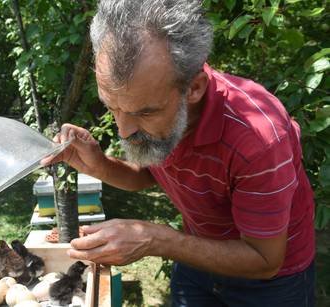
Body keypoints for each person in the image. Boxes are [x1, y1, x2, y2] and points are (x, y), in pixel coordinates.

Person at [41, 0, 316, 306]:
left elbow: (265, 260)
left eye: (144, 113)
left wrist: (155, 239)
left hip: (272, 284)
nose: (123, 130)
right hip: (195, 262)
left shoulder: (260, 139)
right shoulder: (159, 100)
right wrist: (100, 166)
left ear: (194, 88)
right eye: (112, 107)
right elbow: (148, 175)